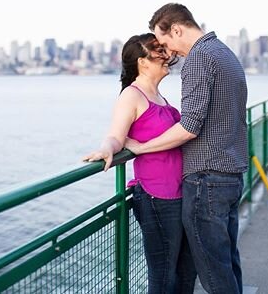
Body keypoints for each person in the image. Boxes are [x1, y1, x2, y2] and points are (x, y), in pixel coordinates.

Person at [125, 3, 249, 294]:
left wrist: (142, 148)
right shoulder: (226, 54)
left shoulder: (198, 59)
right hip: (232, 175)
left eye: (166, 41)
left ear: (177, 29)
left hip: (206, 180)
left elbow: (190, 126)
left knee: (213, 272)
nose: (169, 53)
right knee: (227, 263)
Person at [82, 33, 197, 294]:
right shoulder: (132, 96)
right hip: (156, 195)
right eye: (159, 51)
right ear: (143, 62)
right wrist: (106, 149)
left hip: (179, 192)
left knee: (186, 270)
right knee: (164, 275)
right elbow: (115, 136)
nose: (167, 56)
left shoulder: (159, 97)